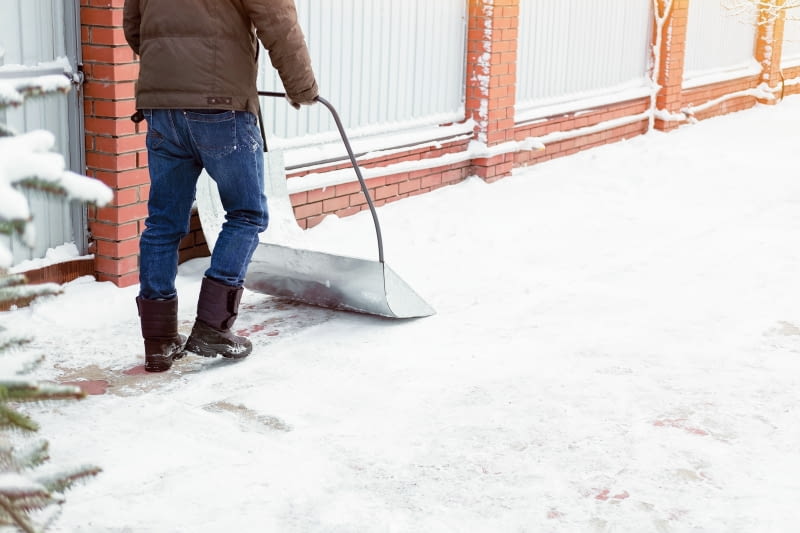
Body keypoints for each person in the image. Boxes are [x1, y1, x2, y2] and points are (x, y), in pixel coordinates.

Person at [123, 0, 318, 372]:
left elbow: (135, 27)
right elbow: (279, 21)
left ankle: (159, 341)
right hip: (221, 106)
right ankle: (213, 326)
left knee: (163, 222)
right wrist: (302, 88)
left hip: (161, 107)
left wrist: (173, 73)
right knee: (246, 213)